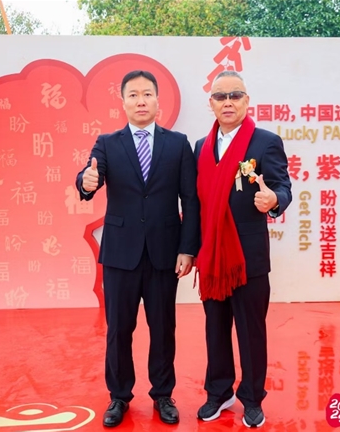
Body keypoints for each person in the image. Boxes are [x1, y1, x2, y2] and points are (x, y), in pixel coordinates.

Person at [76, 70, 200, 428]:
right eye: (133, 95)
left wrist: (187, 248)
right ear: (123, 102)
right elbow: (89, 177)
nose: (141, 101)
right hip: (120, 254)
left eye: (147, 94)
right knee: (119, 329)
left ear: (158, 101)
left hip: (164, 252)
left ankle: (163, 394)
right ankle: (119, 396)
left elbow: (191, 200)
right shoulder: (107, 143)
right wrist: (86, 181)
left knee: (163, 328)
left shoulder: (178, 144)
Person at [194, 70, 292, 428]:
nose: (228, 102)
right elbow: (196, 203)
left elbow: (283, 187)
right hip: (212, 255)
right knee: (215, 329)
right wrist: (190, 250)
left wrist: (273, 200)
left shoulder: (265, 142)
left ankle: (252, 398)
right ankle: (219, 392)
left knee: (251, 332)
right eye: (220, 96)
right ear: (211, 103)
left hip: (248, 257)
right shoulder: (201, 147)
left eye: (235, 95)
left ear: (247, 101)